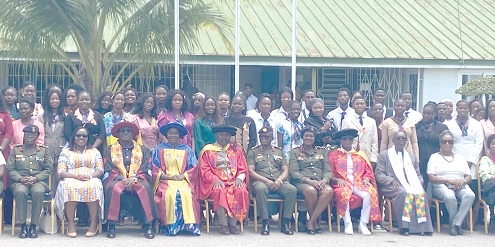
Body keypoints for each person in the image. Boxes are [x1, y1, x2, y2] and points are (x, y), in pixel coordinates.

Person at [103, 122, 158, 239]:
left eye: (128, 131)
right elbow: (108, 168)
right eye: (123, 131)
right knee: (113, 188)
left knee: (145, 188)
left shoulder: (143, 149)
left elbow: (146, 167)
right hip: (118, 178)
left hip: (138, 178)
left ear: (133, 133)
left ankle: (148, 225)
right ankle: (111, 225)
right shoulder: (109, 150)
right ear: (118, 134)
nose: (126, 133)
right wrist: (122, 179)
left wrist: (134, 178)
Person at [376, 131, 433, 236]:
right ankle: (405, 227)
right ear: (393, 140)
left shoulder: (411, 157)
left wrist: (418, 182)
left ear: (407, 142)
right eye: (398, 138)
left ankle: (423, 227)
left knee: (421, 193)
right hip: (392, 186)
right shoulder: (384, 156)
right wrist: (391, 180)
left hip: (411, 184)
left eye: (403, 139)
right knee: (403, 192)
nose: (401, 141)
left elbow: (418, 174)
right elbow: (379, 174)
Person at [198, 124, 249, 235]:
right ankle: (223, 224)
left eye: (226, 135)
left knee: (241, 190)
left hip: (234, 180)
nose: (223, 137)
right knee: (219, 191)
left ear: (230, 137)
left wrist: (240, 178)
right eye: (221, 134)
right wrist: (215, 179)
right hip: (216, 181)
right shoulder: (208, 150)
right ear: (216, 135)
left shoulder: (236, 150)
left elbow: (242, 168)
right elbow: (205, 170)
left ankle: (233, 223)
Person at [329, 128, 381, 235]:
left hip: (359, 183)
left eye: (350, 139)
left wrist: (366, 178)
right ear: (341, 140)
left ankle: (363, 224)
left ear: (353, 140)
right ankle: (348, 223)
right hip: (342, 183)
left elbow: (368, 171)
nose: (347, 141)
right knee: (343, 194)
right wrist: (335, 179)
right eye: (345, 139)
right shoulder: (333, 155)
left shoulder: (360, 154)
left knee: (370, 193)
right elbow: (328, 172)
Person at [152, 122, 200, 236]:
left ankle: (190, 226)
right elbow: (154, 168)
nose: (173, 135)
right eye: (170, 133)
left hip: (183, 179)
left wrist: (182, 176)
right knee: (170, 194)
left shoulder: (187, 150)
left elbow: (193, 168)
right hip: (165, 180)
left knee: (187, 192)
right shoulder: (159, 149)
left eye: (175, 133)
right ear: (166, 135)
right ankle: (171, 226)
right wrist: (168, 177)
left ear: (180, 135)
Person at [247, 126, 296, 235]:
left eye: (266, 137)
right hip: (261, 181)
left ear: (272, 138)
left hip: (278, 180)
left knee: (292, 190)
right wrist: (266, 181)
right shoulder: (253, 152)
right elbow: (251, 171)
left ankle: (285, 222)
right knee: (260, 189)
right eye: (261, 136)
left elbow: (285, 169)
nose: (263, 139)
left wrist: (279, 180)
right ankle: (265, 222)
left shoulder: (279, 152)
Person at [55, 127, 104, 237]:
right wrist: (75, 176)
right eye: (78, 135)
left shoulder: (94, 151)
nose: (81, 138)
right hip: (71, 177)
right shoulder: (66, 152)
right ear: (74, 137)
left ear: (88, 138)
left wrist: (89, 176)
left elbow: (100, 170)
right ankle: (71, 224)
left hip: (90, 177)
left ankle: (93, 223)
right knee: (69, 186)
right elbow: (61, 172)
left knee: (94, 185)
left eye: (84, 136)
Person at [7, 125, 52, 238]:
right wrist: (20, 179)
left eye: (33, 134)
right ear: (24, 135)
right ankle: (23, 226)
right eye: (27, 134)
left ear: (37, 136)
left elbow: (48, 169)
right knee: (20, 192)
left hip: (38, 181)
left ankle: (33, 226)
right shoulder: (16, 149)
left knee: (38, 192)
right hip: (19, 181)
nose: (30, 136)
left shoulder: (44, 150)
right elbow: (10, 169)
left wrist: (36, 178)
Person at [427, 130, 475, 236]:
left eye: (450, 141)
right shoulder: (434, 157)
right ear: (440, 143)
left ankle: (455, 224)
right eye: (444, 141)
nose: (447, 144)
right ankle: (456, 225)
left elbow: (468, 176)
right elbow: (431, 177)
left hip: (460, 184)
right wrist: (448, 180)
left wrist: (463, 181)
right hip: (441, 184)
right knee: (450, 196)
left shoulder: (460, 157)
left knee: (470, 195)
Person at [289, 126, 333, 235]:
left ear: (314, 138)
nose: (309, 138)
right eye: (306, 136)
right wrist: (309, 181)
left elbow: (327, 170)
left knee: (328, 191)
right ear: (302, 137)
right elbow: (294, 172)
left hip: (319, 181)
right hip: (302, 183)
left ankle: (311, 221)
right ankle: (315, 223)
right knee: (311, 190)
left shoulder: (322, 152)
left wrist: (325, 180)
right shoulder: (295, 152)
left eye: (311, 136)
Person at [443, 100, 483, 202]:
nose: (462, 110)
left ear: (468, 110)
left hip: (472, 158)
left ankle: (472, 215)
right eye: (460, 108)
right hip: (454, 156)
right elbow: (446, 142)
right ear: (456, 109)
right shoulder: (448, 124)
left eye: (465, 108)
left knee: (472, 185)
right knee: (456, 184)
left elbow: (479, 144)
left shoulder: (476, 124)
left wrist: (470, 161)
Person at [415, 102, 448, 188]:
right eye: (424, 113)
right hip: (420, 160)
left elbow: (445, 144)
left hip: (436, 160)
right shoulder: (417, 126)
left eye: (429, 114)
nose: (426, 115)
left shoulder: (442, 127)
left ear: (434, 114)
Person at [40, 90, 67, 192]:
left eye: (57, 98)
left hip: (61, 148)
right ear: (48, 100)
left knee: (59, 175)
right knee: (47, 174)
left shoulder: (65, 116)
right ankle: (46, 204)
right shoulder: (42, 116)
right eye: (52, 98)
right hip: (46, 148)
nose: (54, 101)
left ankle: (58, 203)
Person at [342, 96, 379, 166]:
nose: (360, 106)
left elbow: (374, 141)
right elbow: (344, 141)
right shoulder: (346, 121)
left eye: (362, 104)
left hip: (367, 156)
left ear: (366, 105)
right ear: (353, 106)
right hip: (353, 155)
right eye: (357, 104)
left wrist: (373, 159)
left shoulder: (371, 121)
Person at [479, 134, 495, 205]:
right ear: (489, 146)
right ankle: (492, 213)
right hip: (489, 187)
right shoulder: (485, 159)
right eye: (492, 144)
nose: (494, 146)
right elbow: (485, 176)